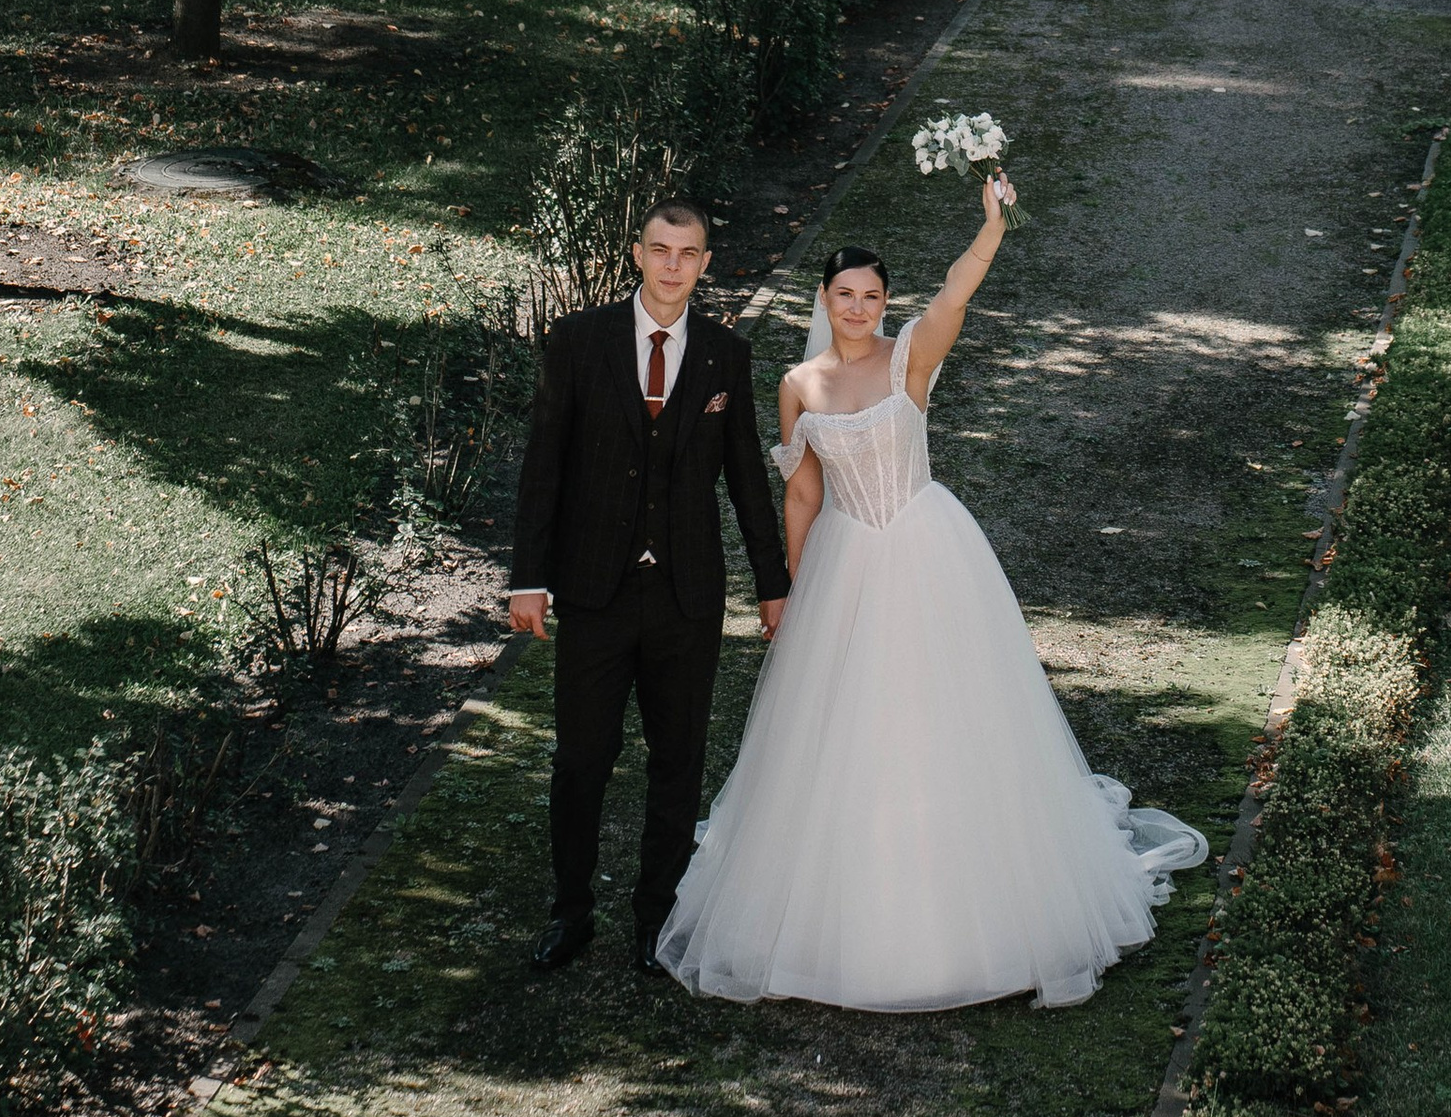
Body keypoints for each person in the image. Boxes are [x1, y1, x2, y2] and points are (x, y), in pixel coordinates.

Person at [655, 168, 1205, 1011]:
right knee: (842, 723)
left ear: (884, 302)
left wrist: (991, 223)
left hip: (925, 546)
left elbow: (958, 291)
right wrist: (790, 590)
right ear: (825, 299)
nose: (859, 307)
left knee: (949, 710)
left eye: (872, 295)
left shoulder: (910, 358)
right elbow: (801, 492)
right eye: (845, 294)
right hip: (843, 562)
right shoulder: (799, 387)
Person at [507, 198, 789, 974]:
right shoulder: (579, 340)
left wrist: (775, 586)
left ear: (704, 262)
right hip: (593, 592)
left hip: (686, 597)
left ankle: (655, 920)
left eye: (687, 252)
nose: (672, 265)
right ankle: (570, 914)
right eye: (659, 249)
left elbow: (745, 483)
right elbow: (545, 468)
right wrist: (528, 579)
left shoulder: (726, 356)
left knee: (678, 761)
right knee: (580, 762)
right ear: (638, 253)